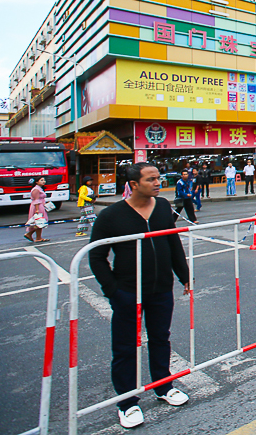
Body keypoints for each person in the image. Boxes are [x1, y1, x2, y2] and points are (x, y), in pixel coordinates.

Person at [89, 162, 190, 428]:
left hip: (161, 290)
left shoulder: (163, 208)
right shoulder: (111, 216)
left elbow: (173, 241)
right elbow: (96, 257)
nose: (158, 183)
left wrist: (184, 275)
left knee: (160, 338)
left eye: (158, 178)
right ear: (133, 185)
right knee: (124, 348)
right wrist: (113, 291)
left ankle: (163, 386)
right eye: (151, 179)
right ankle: (127, 402)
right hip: (128, 293)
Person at [23, 176, 50, 244]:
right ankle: (30, 234)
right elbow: (36, 200)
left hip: (40, 205)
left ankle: (38, 237)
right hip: (37, 206)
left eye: (44, 180)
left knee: (40, 222)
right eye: (41, 180)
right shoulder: (36, 189)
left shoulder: (39, 189)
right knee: (39, 221)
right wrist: (37, 210)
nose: (43, 181)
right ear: (36, 182)